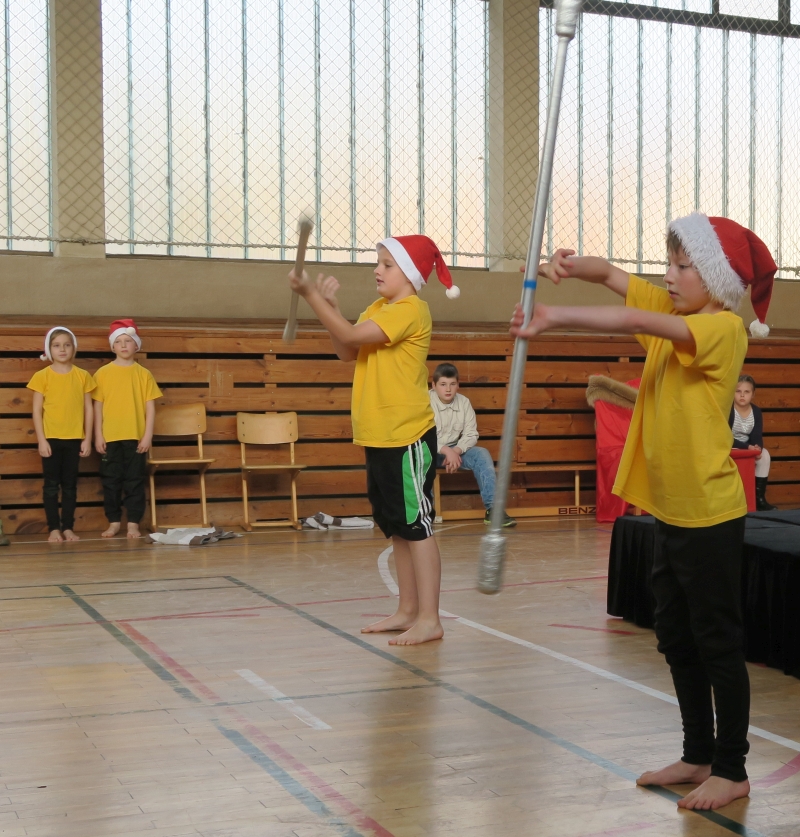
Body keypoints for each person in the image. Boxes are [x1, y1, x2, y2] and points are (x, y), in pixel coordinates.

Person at [510, 213, 776, 811]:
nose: (670, 276)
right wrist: (574, 267)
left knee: (717, 642)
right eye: (669, 264)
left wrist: (553, 317)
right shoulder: (679, 311)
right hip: (670, 511)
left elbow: (634, 318)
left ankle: (732, 769)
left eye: (684, 266)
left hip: (709, 515)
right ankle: (697, 753)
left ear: (717, 277)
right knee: (676, 637)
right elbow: (614, 277)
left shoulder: (722, 329)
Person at [289, 235, 461, 645]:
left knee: (417, 526)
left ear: (411, 274)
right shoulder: (378, 309)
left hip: (406, 437)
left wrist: (311, 296)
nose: (377, 270)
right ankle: (407, 610)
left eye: (387, 264)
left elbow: (349, 337)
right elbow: (346, 350)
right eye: (378, 262)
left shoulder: (410, 310)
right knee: (397, 526)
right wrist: (330, 308)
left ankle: (430, 619)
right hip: (380, 437)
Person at [93, 319, 162, 539]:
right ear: (112, 346)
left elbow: (150, 408)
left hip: (135, 438)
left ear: (136, 345)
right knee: (111, 482)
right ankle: (113, 522)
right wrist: (98, 435)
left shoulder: (144, 374)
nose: (123, 345)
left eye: (128, 341)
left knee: (134, 481)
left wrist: (147, 436)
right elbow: (97, 407)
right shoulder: (102, 374)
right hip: (110, 438)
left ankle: (133, 523)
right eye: (119, 341)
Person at [27, 327, 95, 542]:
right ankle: (53, 529)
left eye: (67, 345)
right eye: (56, 345)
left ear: (74, 348)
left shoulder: (82, 376)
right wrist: (42, 440)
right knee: (50, 486)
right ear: (49, 349)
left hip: (74, 439)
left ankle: (68, 527)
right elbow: (37, 411)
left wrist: (87, 438)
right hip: (51, 439)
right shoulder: (42, 376)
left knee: (70, 486)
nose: (62, 349)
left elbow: (89, 409)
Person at [430, 362, 515, 527]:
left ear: (458, 385)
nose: (448, 389)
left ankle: (494, 510)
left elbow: (471, 434)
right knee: (417, 457)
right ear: (434, 386)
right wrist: (446, 450)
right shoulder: (425, 402)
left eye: (452, 384)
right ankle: (425, 512)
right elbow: (422, 435)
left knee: (481, 454)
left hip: (456, 450)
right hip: (430, 450)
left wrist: (455, 451)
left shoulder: (464, 402)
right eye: (443, 384)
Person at [729, 374, 776, 511]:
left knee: (764, 455)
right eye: (738, 391)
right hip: (730, 447)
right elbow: (725, 437)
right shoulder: (728, 409)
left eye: (746, 392)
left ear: (753, 394)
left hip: (747, 448)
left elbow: (757, 435)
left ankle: (758, 498)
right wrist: (747, 447)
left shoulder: (756, 411)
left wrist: (757, 448)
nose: (742, 395)